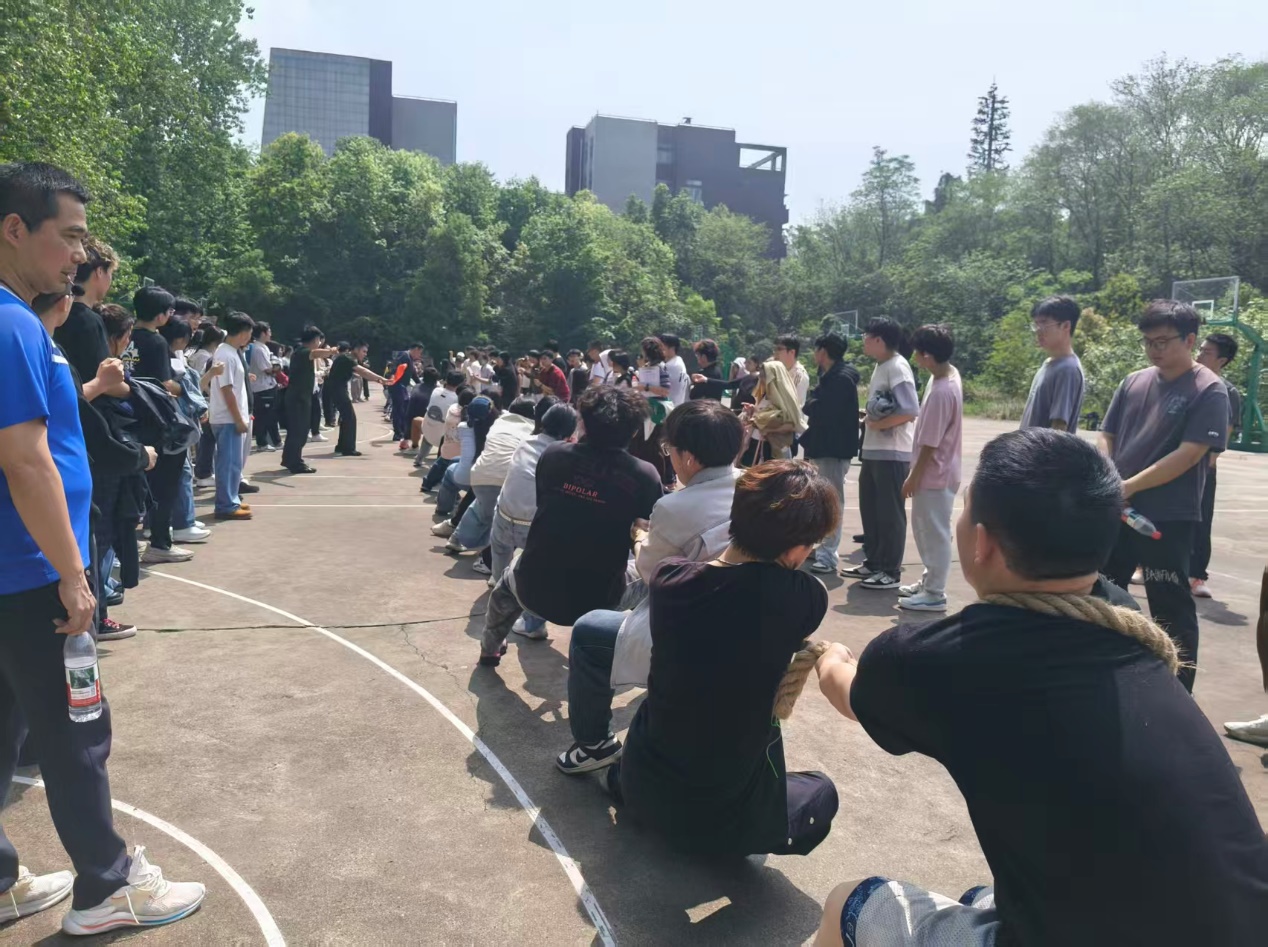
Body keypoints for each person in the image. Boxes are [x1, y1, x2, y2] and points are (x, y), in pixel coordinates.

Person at [812, 429, 1268, 947]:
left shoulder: (936, 658)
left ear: (982, 542)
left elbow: (850, 693)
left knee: (850, 902)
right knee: (980, 897)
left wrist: (831, 657)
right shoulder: (1125, 622)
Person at [0, 160, 205, 934]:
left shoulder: (20, 322)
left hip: (15, 567)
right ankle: (107, 885)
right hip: (32, 570)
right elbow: (27, 462)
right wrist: (72, 574)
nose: (80, 255)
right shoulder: (12, 325)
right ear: (15, 229)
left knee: (7, 726)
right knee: (75, 728)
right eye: (70, 236)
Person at [612, 461, 840, 857]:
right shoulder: (804, 598)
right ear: (795, 550)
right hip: (720, 820)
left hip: (640, 786)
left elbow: (718, 574)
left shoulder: (669, 579)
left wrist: (642, 538)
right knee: (821, 791)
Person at [556, 400, 743, 773]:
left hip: (691, 626)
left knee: (588, 632)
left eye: (669, 448)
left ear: (688, 457)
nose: (668, 455)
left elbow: (649, 571)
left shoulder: (675, 507)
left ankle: (594, 743)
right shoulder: (754, 485)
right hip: (742, 616)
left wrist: (640, 536)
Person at [477, 385, 662, 666]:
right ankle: (643, 657)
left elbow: (547, 505)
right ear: (635, 431)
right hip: (599, 599)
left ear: (582, 422)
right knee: (657, 582)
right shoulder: (645, 475)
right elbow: (653, 532)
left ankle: (490, 650)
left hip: (532, 588)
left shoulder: (553, 454)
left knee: (504, 588)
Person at [1100, 300, 1230, 693]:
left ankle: (1178, 693)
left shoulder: (1208, 389)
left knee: (1169, 606)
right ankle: (1104, 676)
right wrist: (1110, 478)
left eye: (1162, 341)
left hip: (1166, 516)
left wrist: (1129, 487)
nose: (1154, 350)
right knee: (1103, 593)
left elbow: (1189, 454)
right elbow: (1107, 434)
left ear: (1189, 340)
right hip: (1117, 507)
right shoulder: (1133, 382)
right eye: (1148, 342)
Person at [843, 318, 917, 590]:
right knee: (872, 509)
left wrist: (878, 424)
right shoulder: (882, 365)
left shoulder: (897, 366)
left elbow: (910, 410)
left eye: (866, 335)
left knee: (889, 513)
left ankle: (890, 571)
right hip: (875, 450)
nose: (863, 340)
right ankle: (874, 562)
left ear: (879, 339)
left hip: (892, 452)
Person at [895, 325, 963, 613]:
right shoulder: (948, 375)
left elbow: (930, 444)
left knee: (933, 534)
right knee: (931, 532)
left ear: (927, 355)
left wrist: (913, 477)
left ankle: (934, 593)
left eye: (917, 352)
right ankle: (929, 582)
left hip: (935, 474)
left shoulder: (941, 391)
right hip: (942, 471)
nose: (914, 357)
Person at [487, 400, 574, 617]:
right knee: (546, 566)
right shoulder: (564, 455)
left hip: (504, 518)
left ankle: (499, 587)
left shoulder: (526, 442)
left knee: (500, 552)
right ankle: (532, 620)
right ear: (569, 432)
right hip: (531, 527)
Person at [450, 398, 538, 567]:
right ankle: (487, 562)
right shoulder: (532, 429)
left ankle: (456, 537)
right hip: (506, 479)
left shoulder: (500, 421)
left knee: (481, 507)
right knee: (505, 520)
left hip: (479, 476)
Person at [801, 333, 861, 574]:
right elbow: (814, 405)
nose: (814, 354)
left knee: (832, 500)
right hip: (823, 446)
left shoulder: (841, 379)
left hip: (833, 448)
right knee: (822, 499)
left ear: (823, 352)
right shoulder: (830, 376)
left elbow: (821, 410)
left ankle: (828, 556)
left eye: (816, 349)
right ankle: (822, 547)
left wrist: (812, 404)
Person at [1190, 332, 1242, 599]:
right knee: (1159, 515)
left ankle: (1196, 576)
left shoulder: (1228, 392)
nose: (1199, 355)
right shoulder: (1186, 381)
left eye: (1206, 352)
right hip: (1171, 463)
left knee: (1200, 521)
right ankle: (1145, 566)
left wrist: (1202, 465)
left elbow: (1223, 436)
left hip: (1202, 469)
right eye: (1200, 349)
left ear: (1222, 360)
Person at [208, 312, 254, 522]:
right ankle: (225, 505)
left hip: (231, 417)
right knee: (228, 463)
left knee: (234, 463)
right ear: (243, 333)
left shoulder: (230, 352)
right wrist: (237, 419)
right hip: (227, 418)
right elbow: (226, 389)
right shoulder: (225, 354)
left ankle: (231, 498)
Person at [53, 235, 115, 384]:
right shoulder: (90, 321)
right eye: (111, 273)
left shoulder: (52, 308)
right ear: (100, 272)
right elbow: (108, 382)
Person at [1019, 294, 1084, 432]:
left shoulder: (1067, 369)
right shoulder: (1049, 363)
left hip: (1043, 447)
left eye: (1044, 324)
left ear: (1066, 326)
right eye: (1036, 324)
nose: (1038, 331)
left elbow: (1058, 429)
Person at [281, 327, 336, 474]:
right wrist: (331, 351)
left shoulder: (300, 352)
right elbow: (316, 353)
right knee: (299, 431)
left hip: (300, 397)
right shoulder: (303, 352)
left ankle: (289, 459)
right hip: (298, 398)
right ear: (315, 339)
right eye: (319, 340)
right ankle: (295, 462)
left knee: (297, 430)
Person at [327, 341, 389, 457]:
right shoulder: (347, 358)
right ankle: (348, 449)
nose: (365, 354)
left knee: (346, 418)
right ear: (356, 349)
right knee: (350, 418)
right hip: (337, 389)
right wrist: (382, 379)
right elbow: (363, 371)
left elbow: (363, 373)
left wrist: (380, 380)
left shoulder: (348, 358)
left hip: (338, 389)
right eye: (363, 351)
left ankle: (341, 446)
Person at [741, 359, 805, 464]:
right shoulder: (765, 394)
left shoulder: (786, 399)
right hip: (755, 444)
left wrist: (768, 429)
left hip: (772, 449)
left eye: (763, 376)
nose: (761, 379)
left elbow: (793, 425)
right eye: (760, 376)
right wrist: (753, 410)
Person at [422, 387, 474, 494]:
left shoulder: (452, 408)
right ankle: (449, 493)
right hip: (459, 453)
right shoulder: (469, 418)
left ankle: (427, 483)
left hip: (447, 446)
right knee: (450, 473)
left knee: (439, 466)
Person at [247, 322, 281, 452]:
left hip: (269, 385)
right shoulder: (258, 349)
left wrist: (275, 367)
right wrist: (276, 368)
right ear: (263, 333)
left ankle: (275, 441)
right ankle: (262, 442)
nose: (270, 334)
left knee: (271, 415)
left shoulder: (264, 347)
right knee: (263, 416)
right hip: (261, 387)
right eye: (269, 331)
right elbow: (267, 369)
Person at [419, 370, 464, 461]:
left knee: (433, 422)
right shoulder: (456, 398)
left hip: (426, 430)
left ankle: (419, 458)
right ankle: (443, 460)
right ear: (460, 384)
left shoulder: (436, 390)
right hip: (443, 438)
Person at [388, 342, 423, 447]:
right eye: (419, 352)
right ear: (415, 349)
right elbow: (395, 367)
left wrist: (422, 385)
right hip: (397, 385)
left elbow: (414, 374)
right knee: (398, 410)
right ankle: (398, 433)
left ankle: (403, 431)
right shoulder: (404, 355)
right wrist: (392, 377)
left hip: (402, 387)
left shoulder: (410, 359)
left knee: (404, 409)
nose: (419, 355)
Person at [773, 334, 811, 405]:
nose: (775, 353)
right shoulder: (777, 371)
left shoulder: (799, 376)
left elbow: (793, 406)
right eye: (774, 349)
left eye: (779, 349)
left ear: (792, 352)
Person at [656, 332, 692, 407]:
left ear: (672, 348)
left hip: (671, 407)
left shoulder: (671, 366)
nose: (659, 349)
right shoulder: (678, 361)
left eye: (662, 346)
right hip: (678, 406)